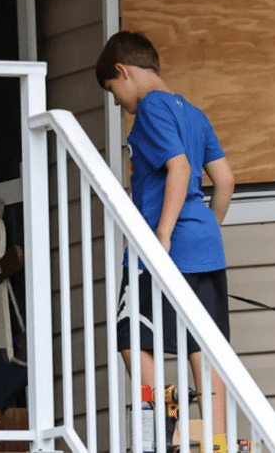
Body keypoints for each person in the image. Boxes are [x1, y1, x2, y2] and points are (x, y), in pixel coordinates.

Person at [96, 30, 234, 449]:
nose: (118, 103)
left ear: (123, 71)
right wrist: (203, 231)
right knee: (204, 348)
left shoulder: (151, 108)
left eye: (113, 91)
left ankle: (163, 427)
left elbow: (177, 168)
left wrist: (164, 234)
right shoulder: (193, 112)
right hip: (205, 247)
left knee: (130, 335)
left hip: (162, 250)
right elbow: (225, 180)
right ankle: (218, 442)